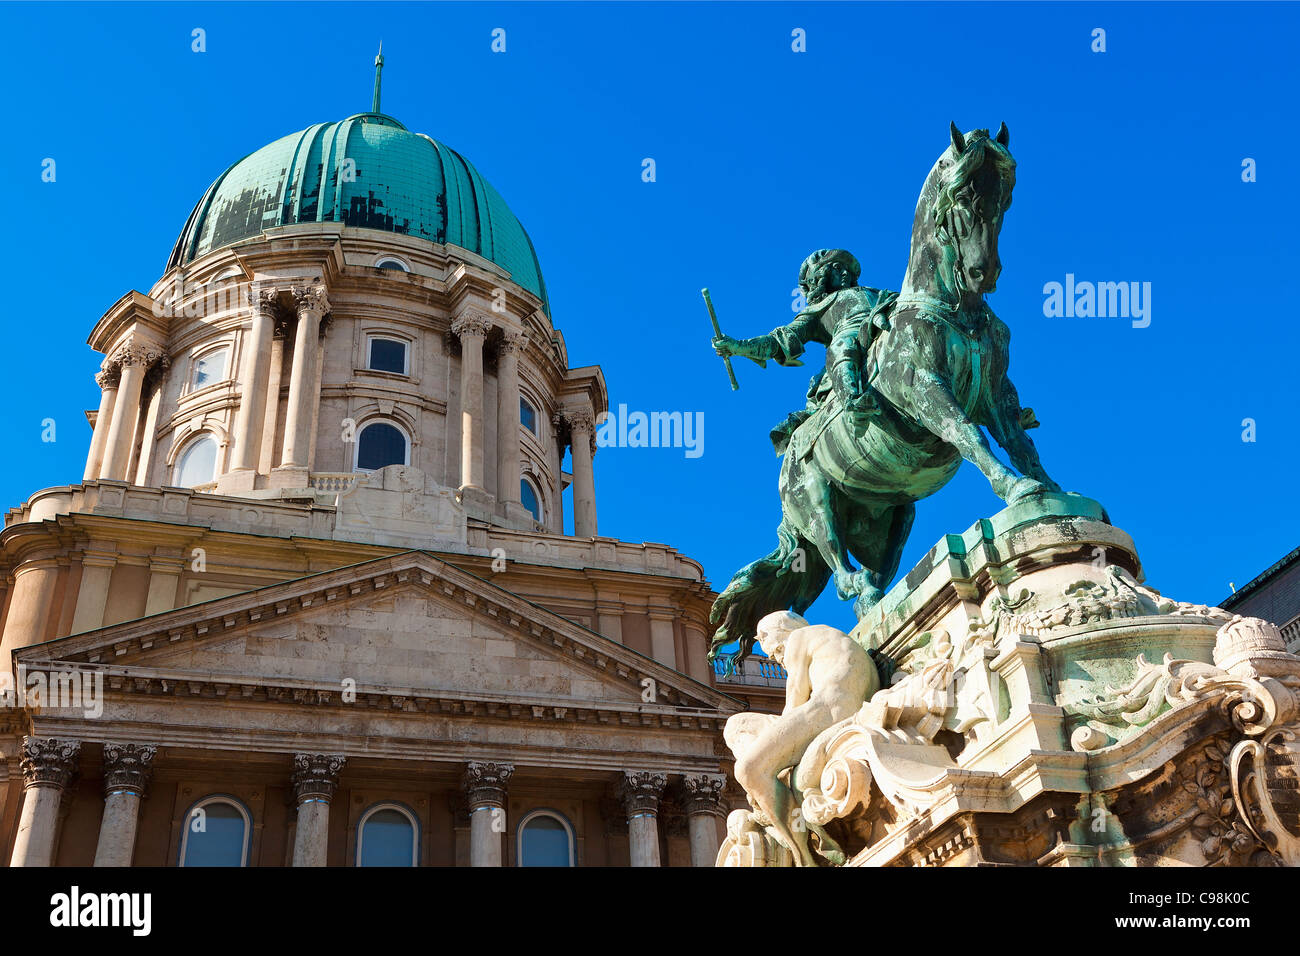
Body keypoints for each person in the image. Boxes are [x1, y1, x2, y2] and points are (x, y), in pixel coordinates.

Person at [725, 610, 879, 866]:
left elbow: (794, 703)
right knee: (737, 726)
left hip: (825, 711)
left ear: (780, 632)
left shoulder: (799, 638)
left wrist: (768, 762)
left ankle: (804, 857)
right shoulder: (836, 643)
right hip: (837, 710)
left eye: (774, 652)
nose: (776, 660)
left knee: (748, 769)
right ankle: (774, 795)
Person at [712, 249, 896, 454]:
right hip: (850, 340)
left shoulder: (875, 292)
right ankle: (853, 403)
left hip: (885, 325)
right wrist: (739, 347)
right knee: (840, 346)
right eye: (837, 268)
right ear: (820, 278)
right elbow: (779, 340)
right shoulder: (817, 310)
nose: (845, 274)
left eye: (847, 270)